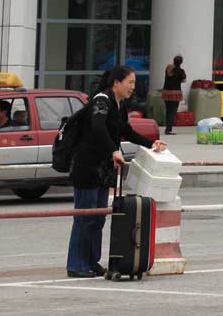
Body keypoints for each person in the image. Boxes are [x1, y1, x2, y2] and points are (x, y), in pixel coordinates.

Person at [66, 65, 165, 279]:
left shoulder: (120, 105)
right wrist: (113, 149)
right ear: (116, 83)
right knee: (84, 216)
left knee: (99, 217)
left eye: (133, 83)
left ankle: (92, 262)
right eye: (130, 82)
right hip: (87, 166)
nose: (132, 87)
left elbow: (126, 130)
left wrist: (151, 143)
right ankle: (76, 264)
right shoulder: (101, 100)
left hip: (103, 169)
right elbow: (97, 126)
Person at [161, 55, 187, 135]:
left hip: (166, 92)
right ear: (181, 62)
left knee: (168, 110)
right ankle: (169, 129)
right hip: (176, 93)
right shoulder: (181, 71)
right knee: (172, 112)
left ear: (173, 60)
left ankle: (167, 128)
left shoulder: (168, 68)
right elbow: (184, 80)